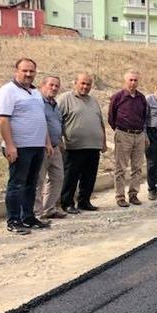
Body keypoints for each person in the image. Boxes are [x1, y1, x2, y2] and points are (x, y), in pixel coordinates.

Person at [0, 58, 53, 234]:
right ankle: (13, 220)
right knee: (17, 184)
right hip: (19, 147)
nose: (28, 74)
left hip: (36, 146)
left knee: (31, 183)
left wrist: (47, 142)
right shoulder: (8, 91)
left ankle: (28, 217)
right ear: (17, 70)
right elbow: (3, 120)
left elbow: (41, 118)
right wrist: (11, 146)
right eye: (25, 71)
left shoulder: (35, 92)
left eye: (32, 71)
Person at [58, 73, 107, 214]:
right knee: (71, 177)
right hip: (73, 147)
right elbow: (57, 121)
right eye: (83, 83)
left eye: (88, 84)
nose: (85, 87)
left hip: (93, 146)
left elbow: (101, 123)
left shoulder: (93, 101)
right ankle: (67, 203)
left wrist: (103, 142)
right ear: (75, 83)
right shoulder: (65, 99)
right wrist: (59, 141)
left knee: (89, 176)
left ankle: (84, 201)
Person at [108, 70, 148, 207]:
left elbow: (144, 116)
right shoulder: (118, 97)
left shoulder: (141, 98)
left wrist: (142, 133)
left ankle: (133, 194)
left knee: (137, 167)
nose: (133, 82)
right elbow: (111, 117)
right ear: (125, 81)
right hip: (123, 134)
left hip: (139, 135)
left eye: (135, 80)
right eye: (130, 80)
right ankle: (120, 196)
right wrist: (120, 131)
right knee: (121, 168)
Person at [34, 76, 66, 219]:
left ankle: (49, 208)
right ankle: (37, 212)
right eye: (51, 85)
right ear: (43, 85)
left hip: (55, 146)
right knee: (38, 180)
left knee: (57, 178)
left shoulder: (54, 104)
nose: (54, 88)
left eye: (56, 86)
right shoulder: (38, 102)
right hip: (41, 147)